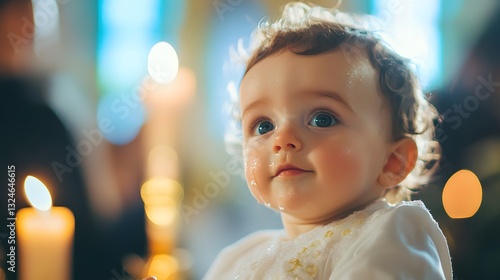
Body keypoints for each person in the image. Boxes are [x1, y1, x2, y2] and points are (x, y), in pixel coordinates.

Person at [204, 2, 452, 279]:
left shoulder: (392, 234)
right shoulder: (238, 258)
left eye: (322, 119)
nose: (283, 139)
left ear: (393, 162)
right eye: (263, 126)